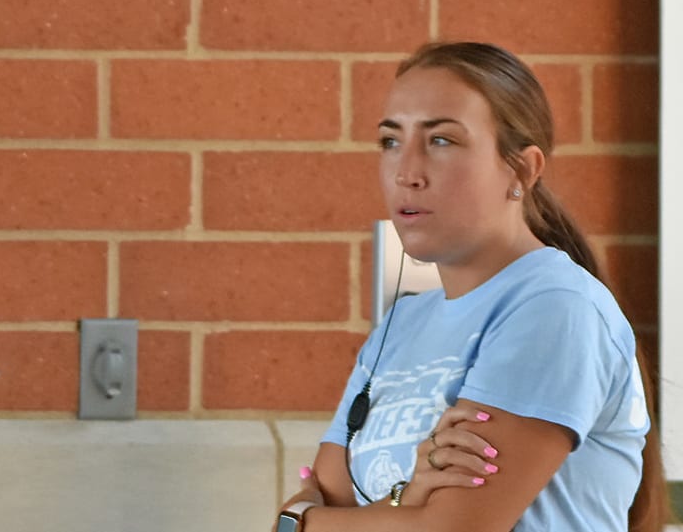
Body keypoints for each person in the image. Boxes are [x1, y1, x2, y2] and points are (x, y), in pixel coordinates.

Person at [270, 42, 663, 532]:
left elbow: (451, 529)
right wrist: (405, 498)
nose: (406, 172)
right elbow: (331, 492)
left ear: (522, 170)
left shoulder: (554, 307)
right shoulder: (403, 323)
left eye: (441, 141)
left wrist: (302, 523)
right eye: (391, 141)